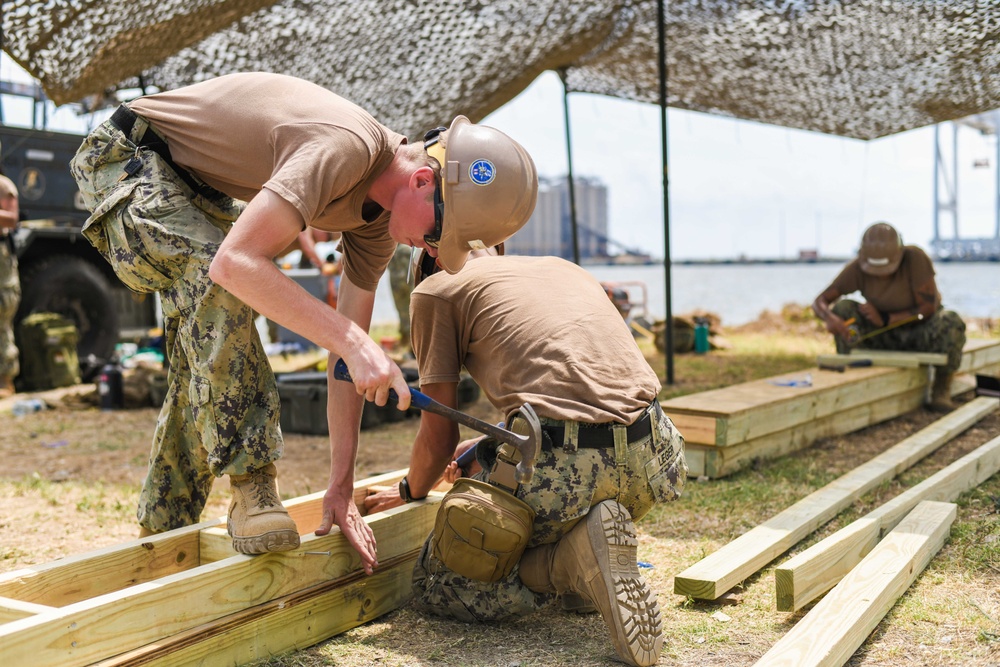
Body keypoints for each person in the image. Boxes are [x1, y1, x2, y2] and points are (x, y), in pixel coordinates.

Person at [69, 72, 538, 566]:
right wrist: (354, 342)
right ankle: (253, 483)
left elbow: (344, 363)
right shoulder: (344, 147)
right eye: (441, 235)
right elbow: (235, 264)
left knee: (206, 350)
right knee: (221, 282)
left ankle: (163, 525)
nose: (435, 252)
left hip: (196, 187)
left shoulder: (377, 222)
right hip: (128, 157)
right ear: (422, 182)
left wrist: (341, 487)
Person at [364, 249, 687, 667]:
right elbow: (581, 389)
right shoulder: (562, 268)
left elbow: (438, 437)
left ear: (430, 261)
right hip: (655, 458)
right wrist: (488, 449)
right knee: (553, 496)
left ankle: (567, 563)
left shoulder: (436, 290)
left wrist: (410, 490)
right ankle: (586, 555)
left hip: (571, 468)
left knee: (437, 584)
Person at [812, 221, 966, 411]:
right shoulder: (857, 268)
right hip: (881, 336)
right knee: (843, 309)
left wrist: (886, 319)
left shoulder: (915, 259)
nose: (880, 275)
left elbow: (928, 308)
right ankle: (852, 376)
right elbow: (820, 301)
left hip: (919, 332)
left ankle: (941, 388)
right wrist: (829, 318)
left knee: (951, 321)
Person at [0, 174, 20, 399]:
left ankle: (5, 379)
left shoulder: (3, 185)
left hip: (1, 258)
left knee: (2, 313)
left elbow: (12, 219)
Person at [387, 243, 415, 352]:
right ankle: (408, 340)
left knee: (411, 308)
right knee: (403, 310)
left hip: (407, 282)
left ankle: (412, 344)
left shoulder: (405, 249)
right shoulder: (393, 249)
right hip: (397, 283)